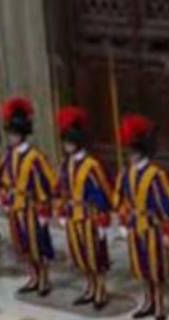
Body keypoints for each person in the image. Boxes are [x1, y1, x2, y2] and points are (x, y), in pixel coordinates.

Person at [114, 113, 169, 320]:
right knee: (142, 267)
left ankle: (159, 303)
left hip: (153, 227)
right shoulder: (126, 173)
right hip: (136, 226)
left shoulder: (155, 174)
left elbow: (167, 203)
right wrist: (123, 218)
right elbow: (121, 198)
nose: (130, 155)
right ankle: (148, 300)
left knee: (156, 268)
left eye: (133, 151)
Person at [55, 106, 111, 309]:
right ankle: (89, 287)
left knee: (95, 255)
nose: (67, 146)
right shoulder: (65, 164)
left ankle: (100, 289)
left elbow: (102, 191)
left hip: (89, 216)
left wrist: (103, 217)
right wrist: (61, 209)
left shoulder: (91, 165)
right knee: (80, 255)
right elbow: (61, 189)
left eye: (70, 142)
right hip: (73, 215)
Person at [0, 96, 56, 296]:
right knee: (22, 245)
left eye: (14, 134)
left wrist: (44, 209)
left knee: (38, 244)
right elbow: (3, 179)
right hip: (16, 206)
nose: (11, 138)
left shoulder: (35, 157)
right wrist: (5, 199)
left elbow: (46, 182)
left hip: (32, 207)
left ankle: (44, 279)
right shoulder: (8, 155)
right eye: (10, 134)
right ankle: (32, 276)